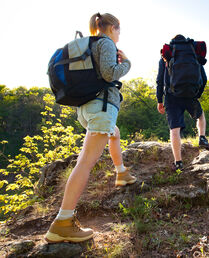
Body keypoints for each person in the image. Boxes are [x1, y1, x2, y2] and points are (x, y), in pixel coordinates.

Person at [45, 12, 136, 243]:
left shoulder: (90, 45)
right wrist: (126, 63)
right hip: (101, 107)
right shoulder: (105, 43)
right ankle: (63, 222)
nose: (119, 34)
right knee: (85, 162)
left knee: (113, 133)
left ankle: (122, 173)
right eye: (119, 30)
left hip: (88, 108)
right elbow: (109, 74)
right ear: (113, 27)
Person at [156, 34, 209, 171]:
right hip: (190, 93)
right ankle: (202, 138)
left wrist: (159, 100)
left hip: (171, 96)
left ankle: (178, 162)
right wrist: (197, 94)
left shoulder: (166, 55)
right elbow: (203, 78)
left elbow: (159, 81)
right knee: (200, 115)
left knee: (174, 130)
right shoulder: (192, 53)